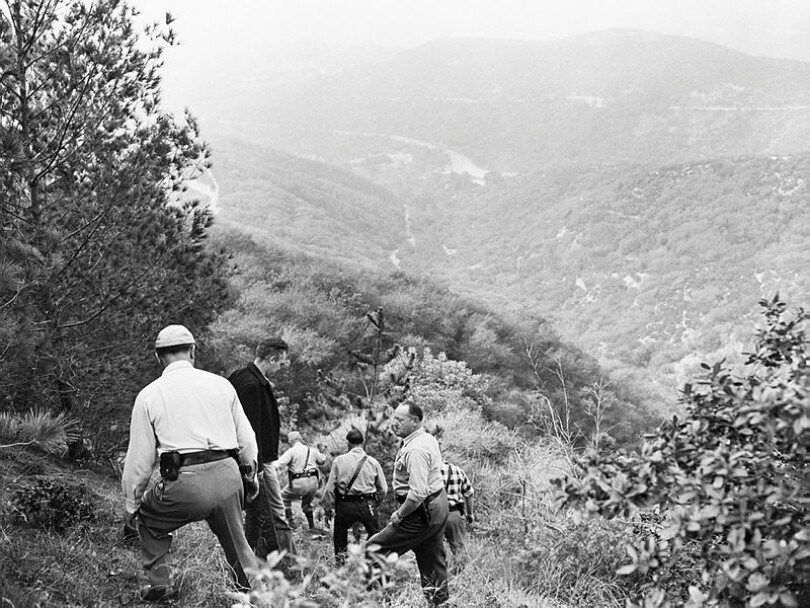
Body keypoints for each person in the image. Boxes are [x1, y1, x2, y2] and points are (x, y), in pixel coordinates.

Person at [121, 324, 260, 602]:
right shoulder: (222, 385)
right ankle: (253, 593)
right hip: (228, 475)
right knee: (236, 540)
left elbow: (140, 459)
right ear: (193, 351)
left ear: (157, 357)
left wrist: (131, 505)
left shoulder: (149, 395)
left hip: (183, 480)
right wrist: (250, 479)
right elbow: (247, 440)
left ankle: (160, 584)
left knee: (149, 522)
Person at [367, 401, 449, 606]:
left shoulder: (416, 450)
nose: (394, 423)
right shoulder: (426, 438)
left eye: (399, 420)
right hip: (437, 504)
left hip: (420, 511)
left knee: (373, 549)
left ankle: (379, 600)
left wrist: (400, 515)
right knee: (431, 560)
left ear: (414, 421)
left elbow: (417, 493)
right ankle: (440, 603)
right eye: (393, 418)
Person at [228, 338, 297, 564]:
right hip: (258, 461)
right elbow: (250, 430)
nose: (281, 368)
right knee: (274, 514)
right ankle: (288, 568)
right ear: (272, 358)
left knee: (257, 514)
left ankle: (250, 562)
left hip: (254, 460)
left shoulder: (242, 376)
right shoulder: (251, 385)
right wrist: (254, 468)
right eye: (281, 363)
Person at [322, 428, 388, 558]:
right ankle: (372, 565)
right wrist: (375, 503)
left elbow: (329, 489)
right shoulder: (373, 462)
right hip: (367, 505)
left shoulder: (339, 461)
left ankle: (340, 565)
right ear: (362, 443)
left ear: (348, 443)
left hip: (345, 505)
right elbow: (384, 489)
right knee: (375, 536)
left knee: (340, 535)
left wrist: (327, 508)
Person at [276, 430, 326, 529]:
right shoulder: (311, 449)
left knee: (282, 497)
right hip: (314, 482)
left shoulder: (291, 451)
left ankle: (291, 523)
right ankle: (312, 526)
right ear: (300, 439)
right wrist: (320, 451)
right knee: (307, 504)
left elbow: (278, 464)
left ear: (291, 441)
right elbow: (322, 460)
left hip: (300, 482)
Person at [441, 460, 475, 556]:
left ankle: (439, 570)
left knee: (434, 550)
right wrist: (470, 514)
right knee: (458, 549)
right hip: (455, 514)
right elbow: (469, 494)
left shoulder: (430, 471)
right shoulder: (457, 470)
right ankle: (460, 570)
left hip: (435, 515)